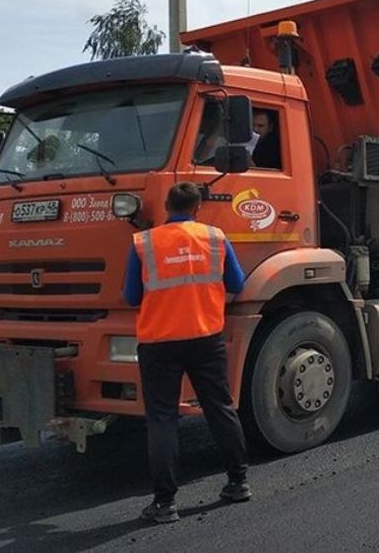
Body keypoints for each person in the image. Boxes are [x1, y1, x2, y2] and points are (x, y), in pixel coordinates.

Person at [123, 182, 250, 524]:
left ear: (166, 205)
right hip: (205, 338)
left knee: (162, 418)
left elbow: (131, 296)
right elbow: (237, 284)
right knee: (220, 408)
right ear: (198, 208)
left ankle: (165, 504)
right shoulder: (215, 238)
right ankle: (238, 483)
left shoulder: (144, 242)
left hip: (158, 343)